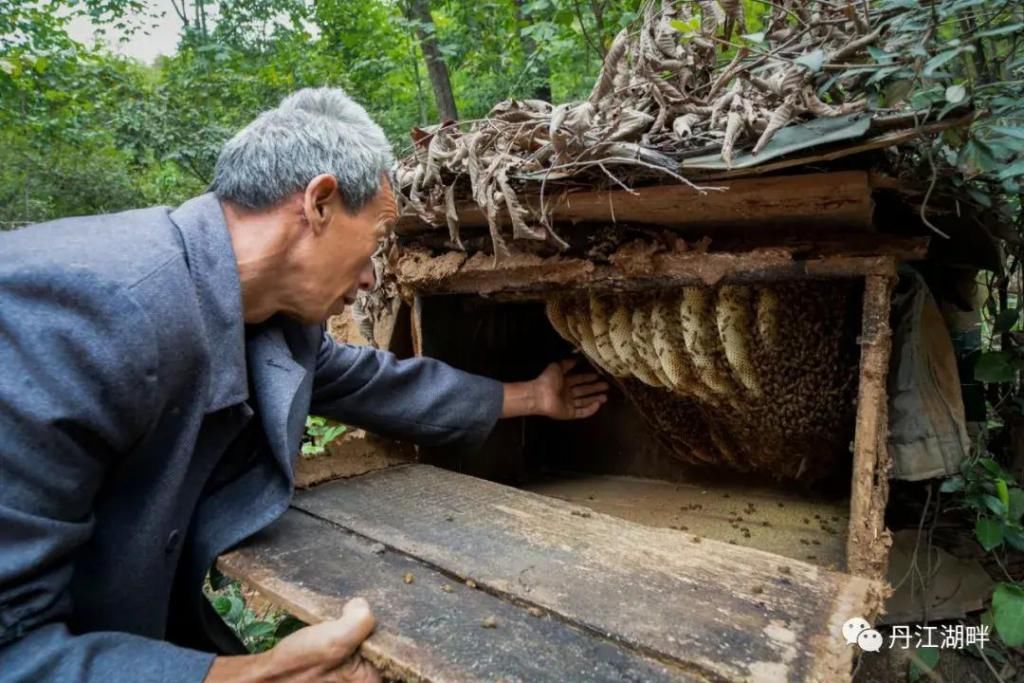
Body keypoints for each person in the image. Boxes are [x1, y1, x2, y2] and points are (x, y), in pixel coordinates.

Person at [0, 87, 609, 682]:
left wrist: (534, 397)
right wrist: (248, 675)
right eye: (375, 242)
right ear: (319, 202)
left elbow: (373, 383)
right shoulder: (87, 311)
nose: (371, 279)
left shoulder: (272, 320)